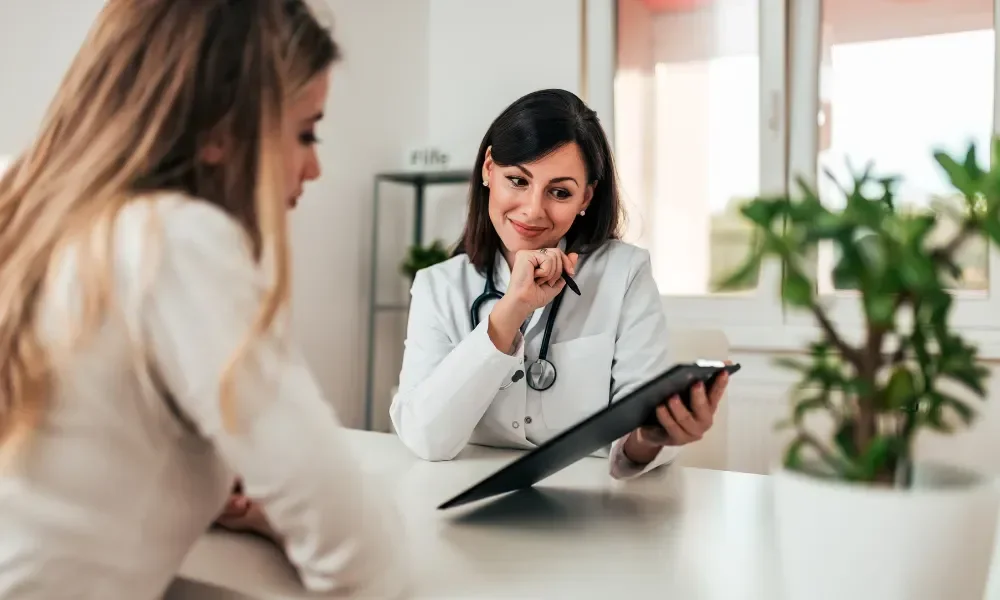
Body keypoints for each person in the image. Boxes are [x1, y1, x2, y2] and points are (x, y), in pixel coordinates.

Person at [0, 1, 406, 598]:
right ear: (220, 131)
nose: (314, 167)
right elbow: (357, 552)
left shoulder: (18, 196)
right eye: (305, 132)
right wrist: (278, 505)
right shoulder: (172, 239)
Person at [389, 89, 729, 478]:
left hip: (593, 506)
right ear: (488, 169)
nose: (533, 210)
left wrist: (653, 437)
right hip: (465, 495)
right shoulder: (439, 287)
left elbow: (634, 431)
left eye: (560, 192)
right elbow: (426, 439)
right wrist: (509, 312)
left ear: (587, 196)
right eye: (517, 180)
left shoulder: (624, 273)